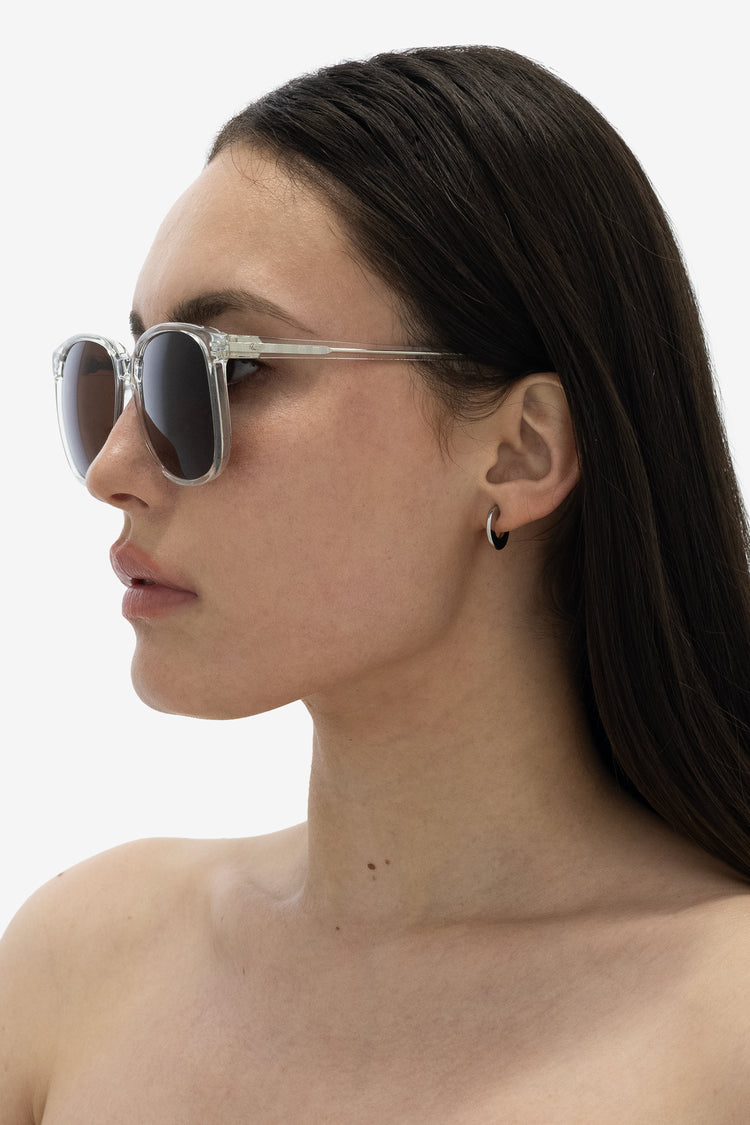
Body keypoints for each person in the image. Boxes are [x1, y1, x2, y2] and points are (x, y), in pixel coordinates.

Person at [3, 44, 750, 1122]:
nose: (114, 468)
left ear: (522, 451)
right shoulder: (74, 967)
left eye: (224, 369)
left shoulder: (723, 1027)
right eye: (122, 376)